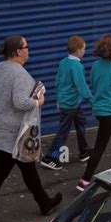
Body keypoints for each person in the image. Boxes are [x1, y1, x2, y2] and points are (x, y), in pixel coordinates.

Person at [0, 35, 62, 222]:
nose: (29, 49)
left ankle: (45, 203)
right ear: (18, 51)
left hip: (1, 130)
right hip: (15, 134)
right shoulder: (19, 74)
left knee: (27, 169)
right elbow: (21, 103)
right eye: (27, 46)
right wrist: (39, 101)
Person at [77, 34, 111, 192]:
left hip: (99, 109)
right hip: (110, 111)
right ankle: (84, 180)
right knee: (100, 147)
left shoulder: (96, 65)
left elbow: (94, 82)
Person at [41, 35, 92, 171]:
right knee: (63, 131)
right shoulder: (77, 66)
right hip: (70, 104)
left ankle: (83, 151)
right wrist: (92, 100)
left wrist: (59, 99)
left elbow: (58, 81)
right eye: (84, 49)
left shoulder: (63, 62)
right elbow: (81, 85)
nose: (85, 51)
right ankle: (50, 157)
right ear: (78, 50)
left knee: (81, 122)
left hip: (70, 102)